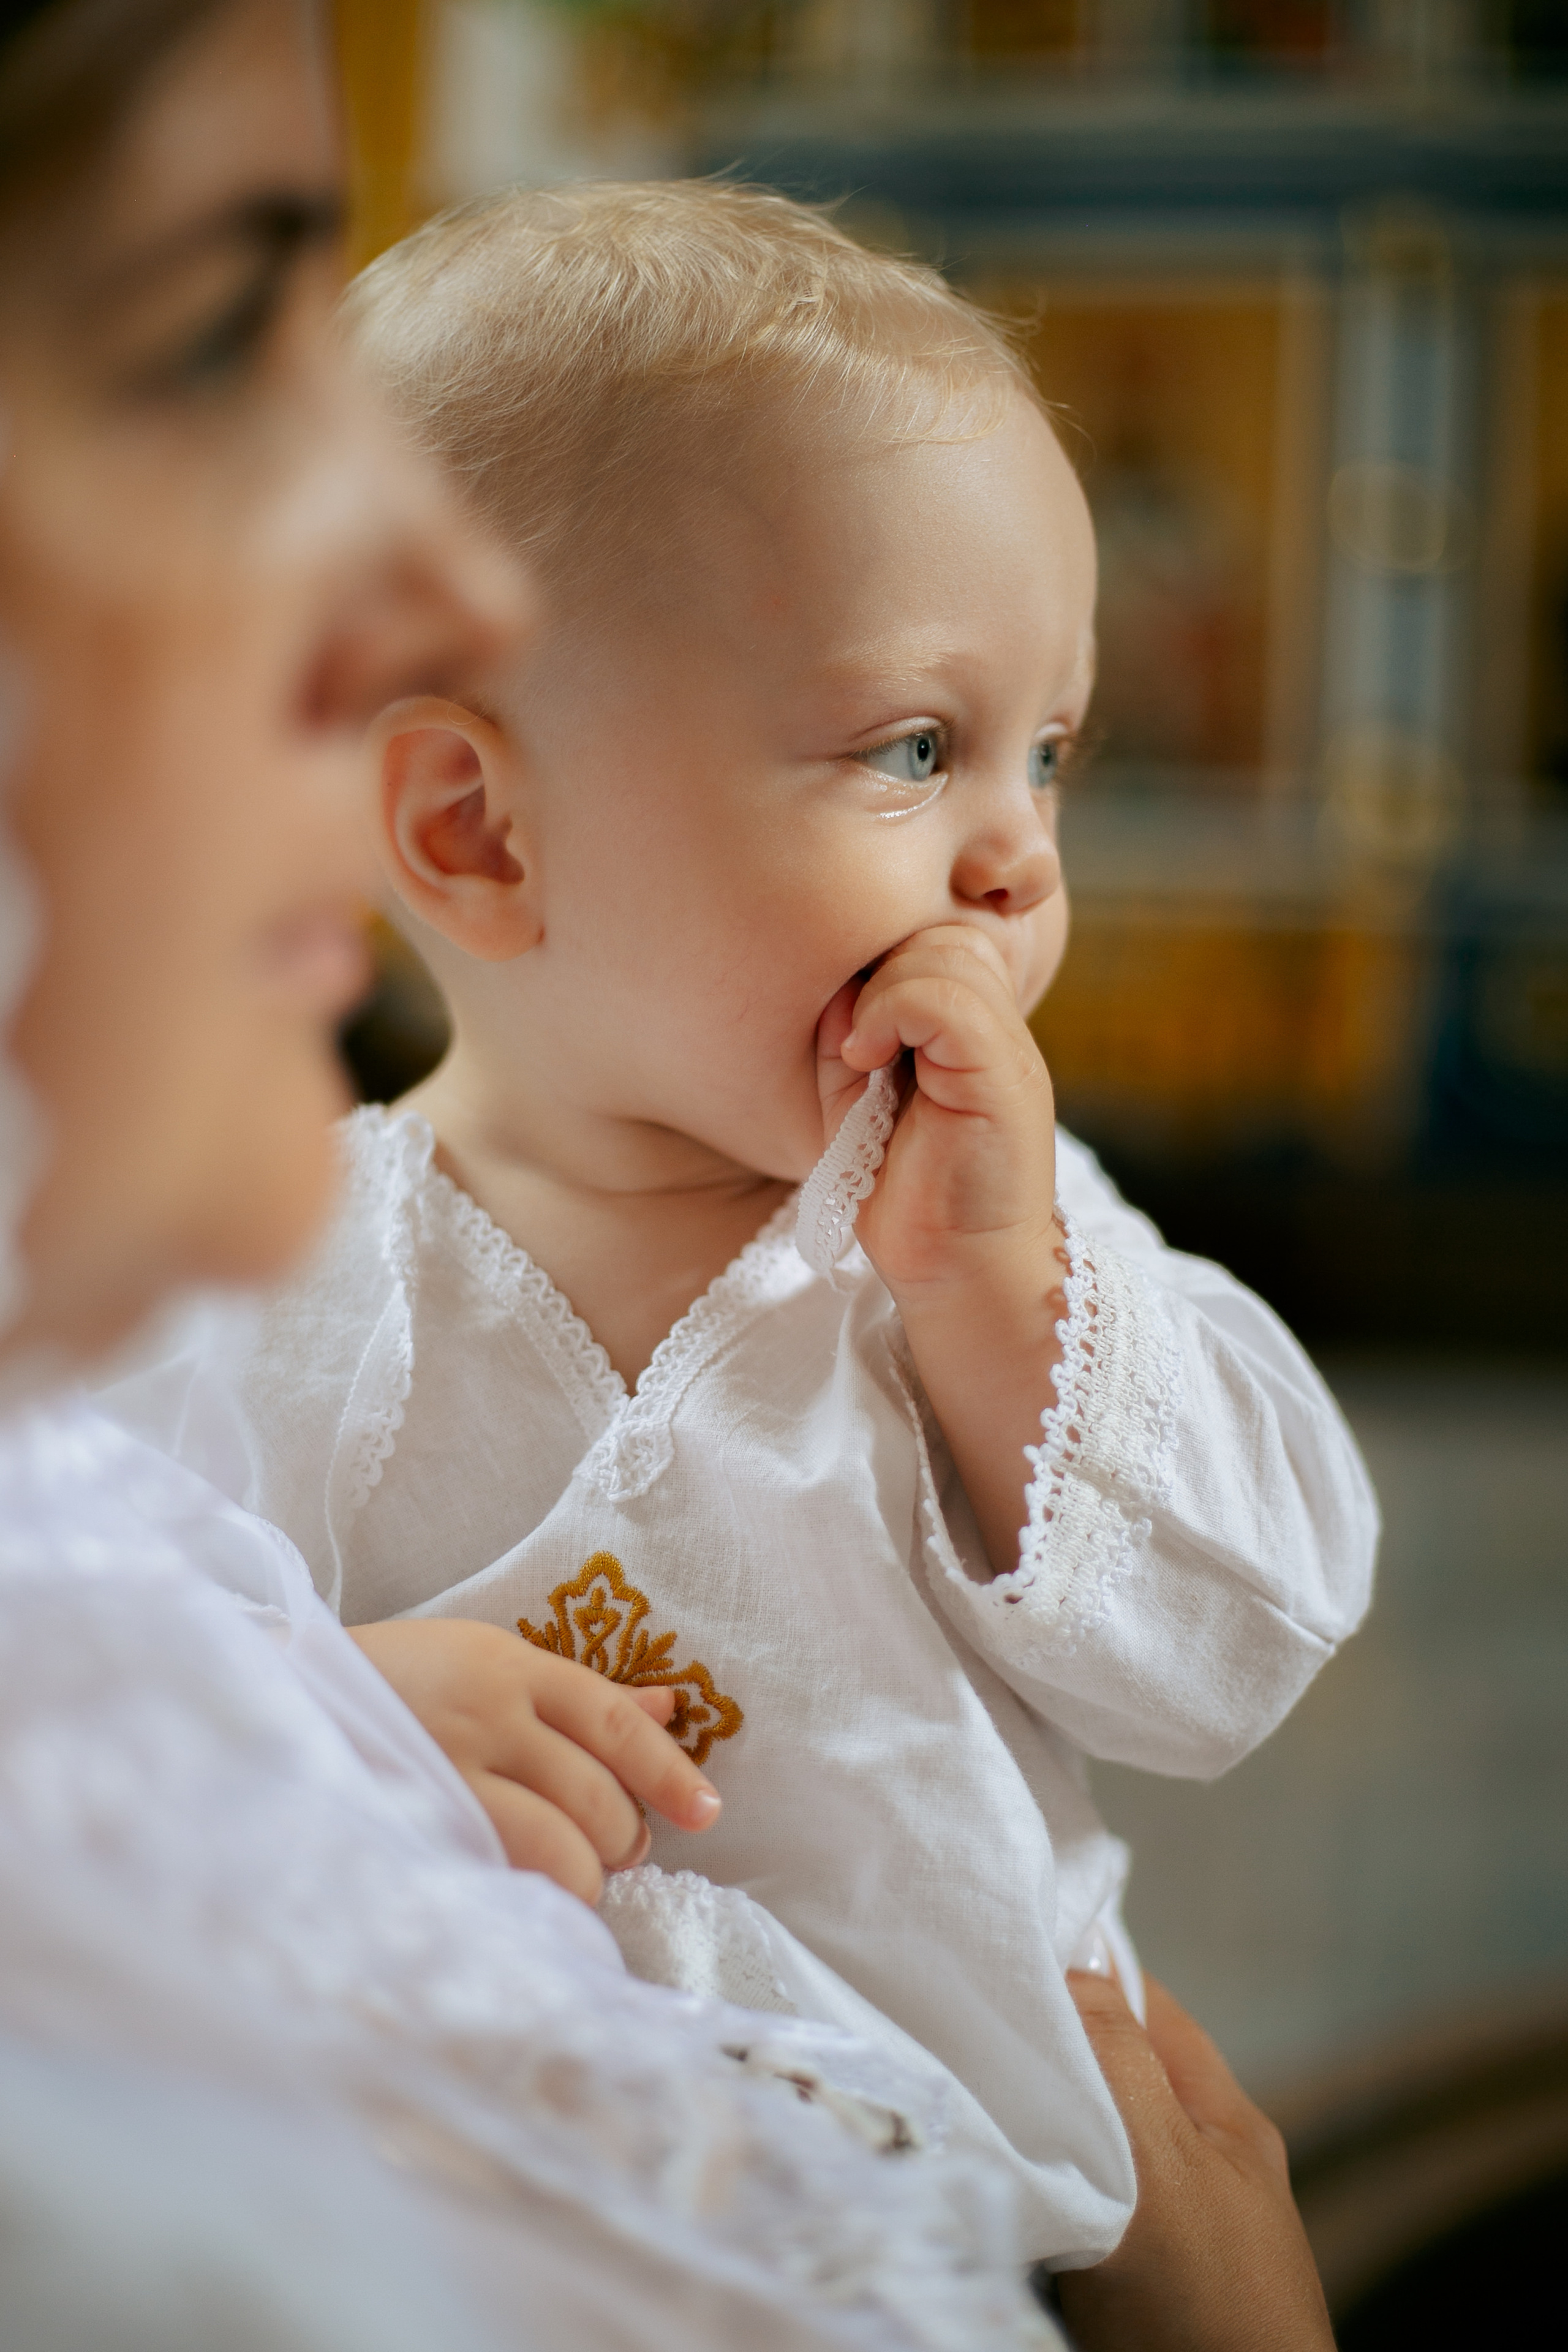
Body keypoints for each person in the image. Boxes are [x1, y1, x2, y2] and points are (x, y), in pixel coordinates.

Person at [0, 2, 1336, 2343]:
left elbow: (1233, 1646)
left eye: (1054, 752)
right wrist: (341, 1710)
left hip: (1016, 2203)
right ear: (478, 828)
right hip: (516, 2208)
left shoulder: (980, 1232)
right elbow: (97, 1664)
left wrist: (1011, 1318)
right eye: (914, 744)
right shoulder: (262, 1272)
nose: (1015, 852)